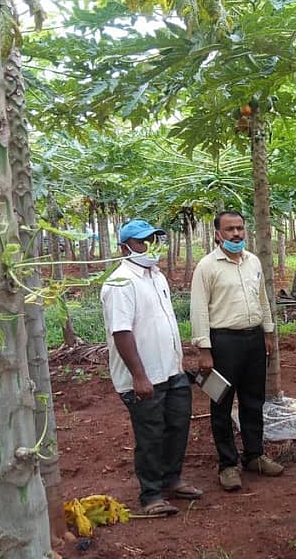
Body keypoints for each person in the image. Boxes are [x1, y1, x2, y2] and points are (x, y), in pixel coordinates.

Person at [100, 219, 202, 516]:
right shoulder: (120, 283)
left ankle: (172, 479)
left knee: (177, 426)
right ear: (125, 247)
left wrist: (179, 363)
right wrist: (139, 376)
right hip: (144, 377)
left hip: (171, 370)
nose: (149, 247)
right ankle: (151, 494)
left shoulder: (156, 276)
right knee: (150, 435)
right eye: (142, 242)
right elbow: (122, 332)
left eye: (153, 240)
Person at [190, 210, 283, 491]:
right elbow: (199, 309)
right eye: (230, 229)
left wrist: (268, 332)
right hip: (223, 342)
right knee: (220, 403)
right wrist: (204, 350)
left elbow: (263, 299)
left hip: (253, 339)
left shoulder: (252, 261)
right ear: (218, 234)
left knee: (253, 400)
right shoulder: (207, 266)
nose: (236, 234)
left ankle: (254, 455)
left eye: (240, 228)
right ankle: (228, 464)